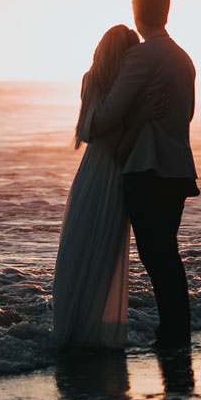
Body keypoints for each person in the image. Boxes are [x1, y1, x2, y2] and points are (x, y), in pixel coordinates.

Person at [88, 0, 199, 348]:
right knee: (167, 253)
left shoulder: (143, 57)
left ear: (138, 14)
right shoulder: (184, 58)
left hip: (147, 171)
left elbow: (105, 117)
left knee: (157, 257)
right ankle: (175, 331)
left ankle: (172, 335)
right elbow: (189, 115)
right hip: (179, 169)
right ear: (166, 14)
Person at [53, 24, 163, 349]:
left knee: (78, 248)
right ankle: (91, 332)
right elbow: (118, 149)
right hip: (113, 176)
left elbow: (88, 134)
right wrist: (142, 116)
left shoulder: (90, 80)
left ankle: (71, 328)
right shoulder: (124, 91)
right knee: (102, 255)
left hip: (89, 173)